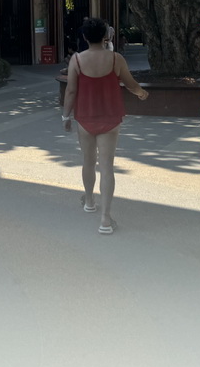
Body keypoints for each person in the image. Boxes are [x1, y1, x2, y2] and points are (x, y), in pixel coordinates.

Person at [62, 17, 148, 235]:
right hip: (110, 117)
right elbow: (130, 83)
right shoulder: (115, 59)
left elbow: (71, 91)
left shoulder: (77, 60)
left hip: (85, 117)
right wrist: (141, 93)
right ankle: (105, 220)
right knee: (107, 167)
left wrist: (65, 116)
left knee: (88, 162)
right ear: (106, 36)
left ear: (84, 36)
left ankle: (89, 201)